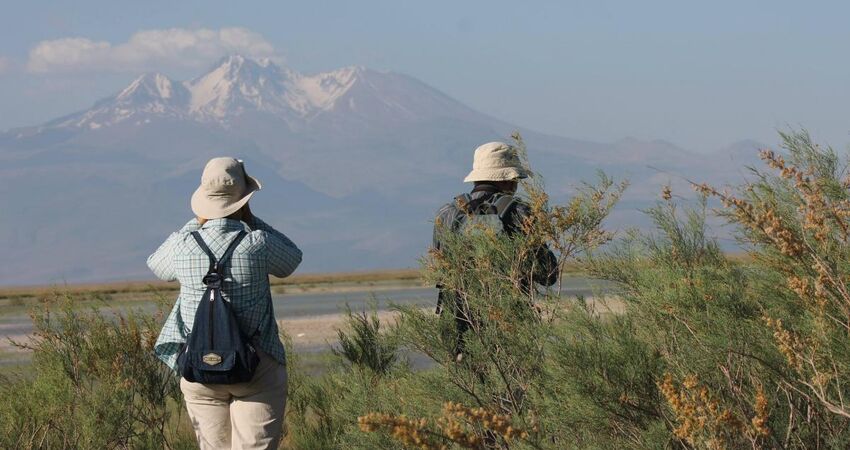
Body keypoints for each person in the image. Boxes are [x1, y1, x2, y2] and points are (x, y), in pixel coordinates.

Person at [148, 157, 302, 449]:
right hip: (257, 366)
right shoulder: (258, 242)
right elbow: (292, 258)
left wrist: (196, 222)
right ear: (244, 200)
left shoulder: (184, 244)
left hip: (198, 366)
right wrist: (251, 218)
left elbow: (157, 265)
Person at [432, 141, 558, 361]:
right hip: (510, 324)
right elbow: (548, 274)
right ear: (507, 179)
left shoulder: (447, 213)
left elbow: (440, 271)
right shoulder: (520, 212)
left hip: (459, 325)